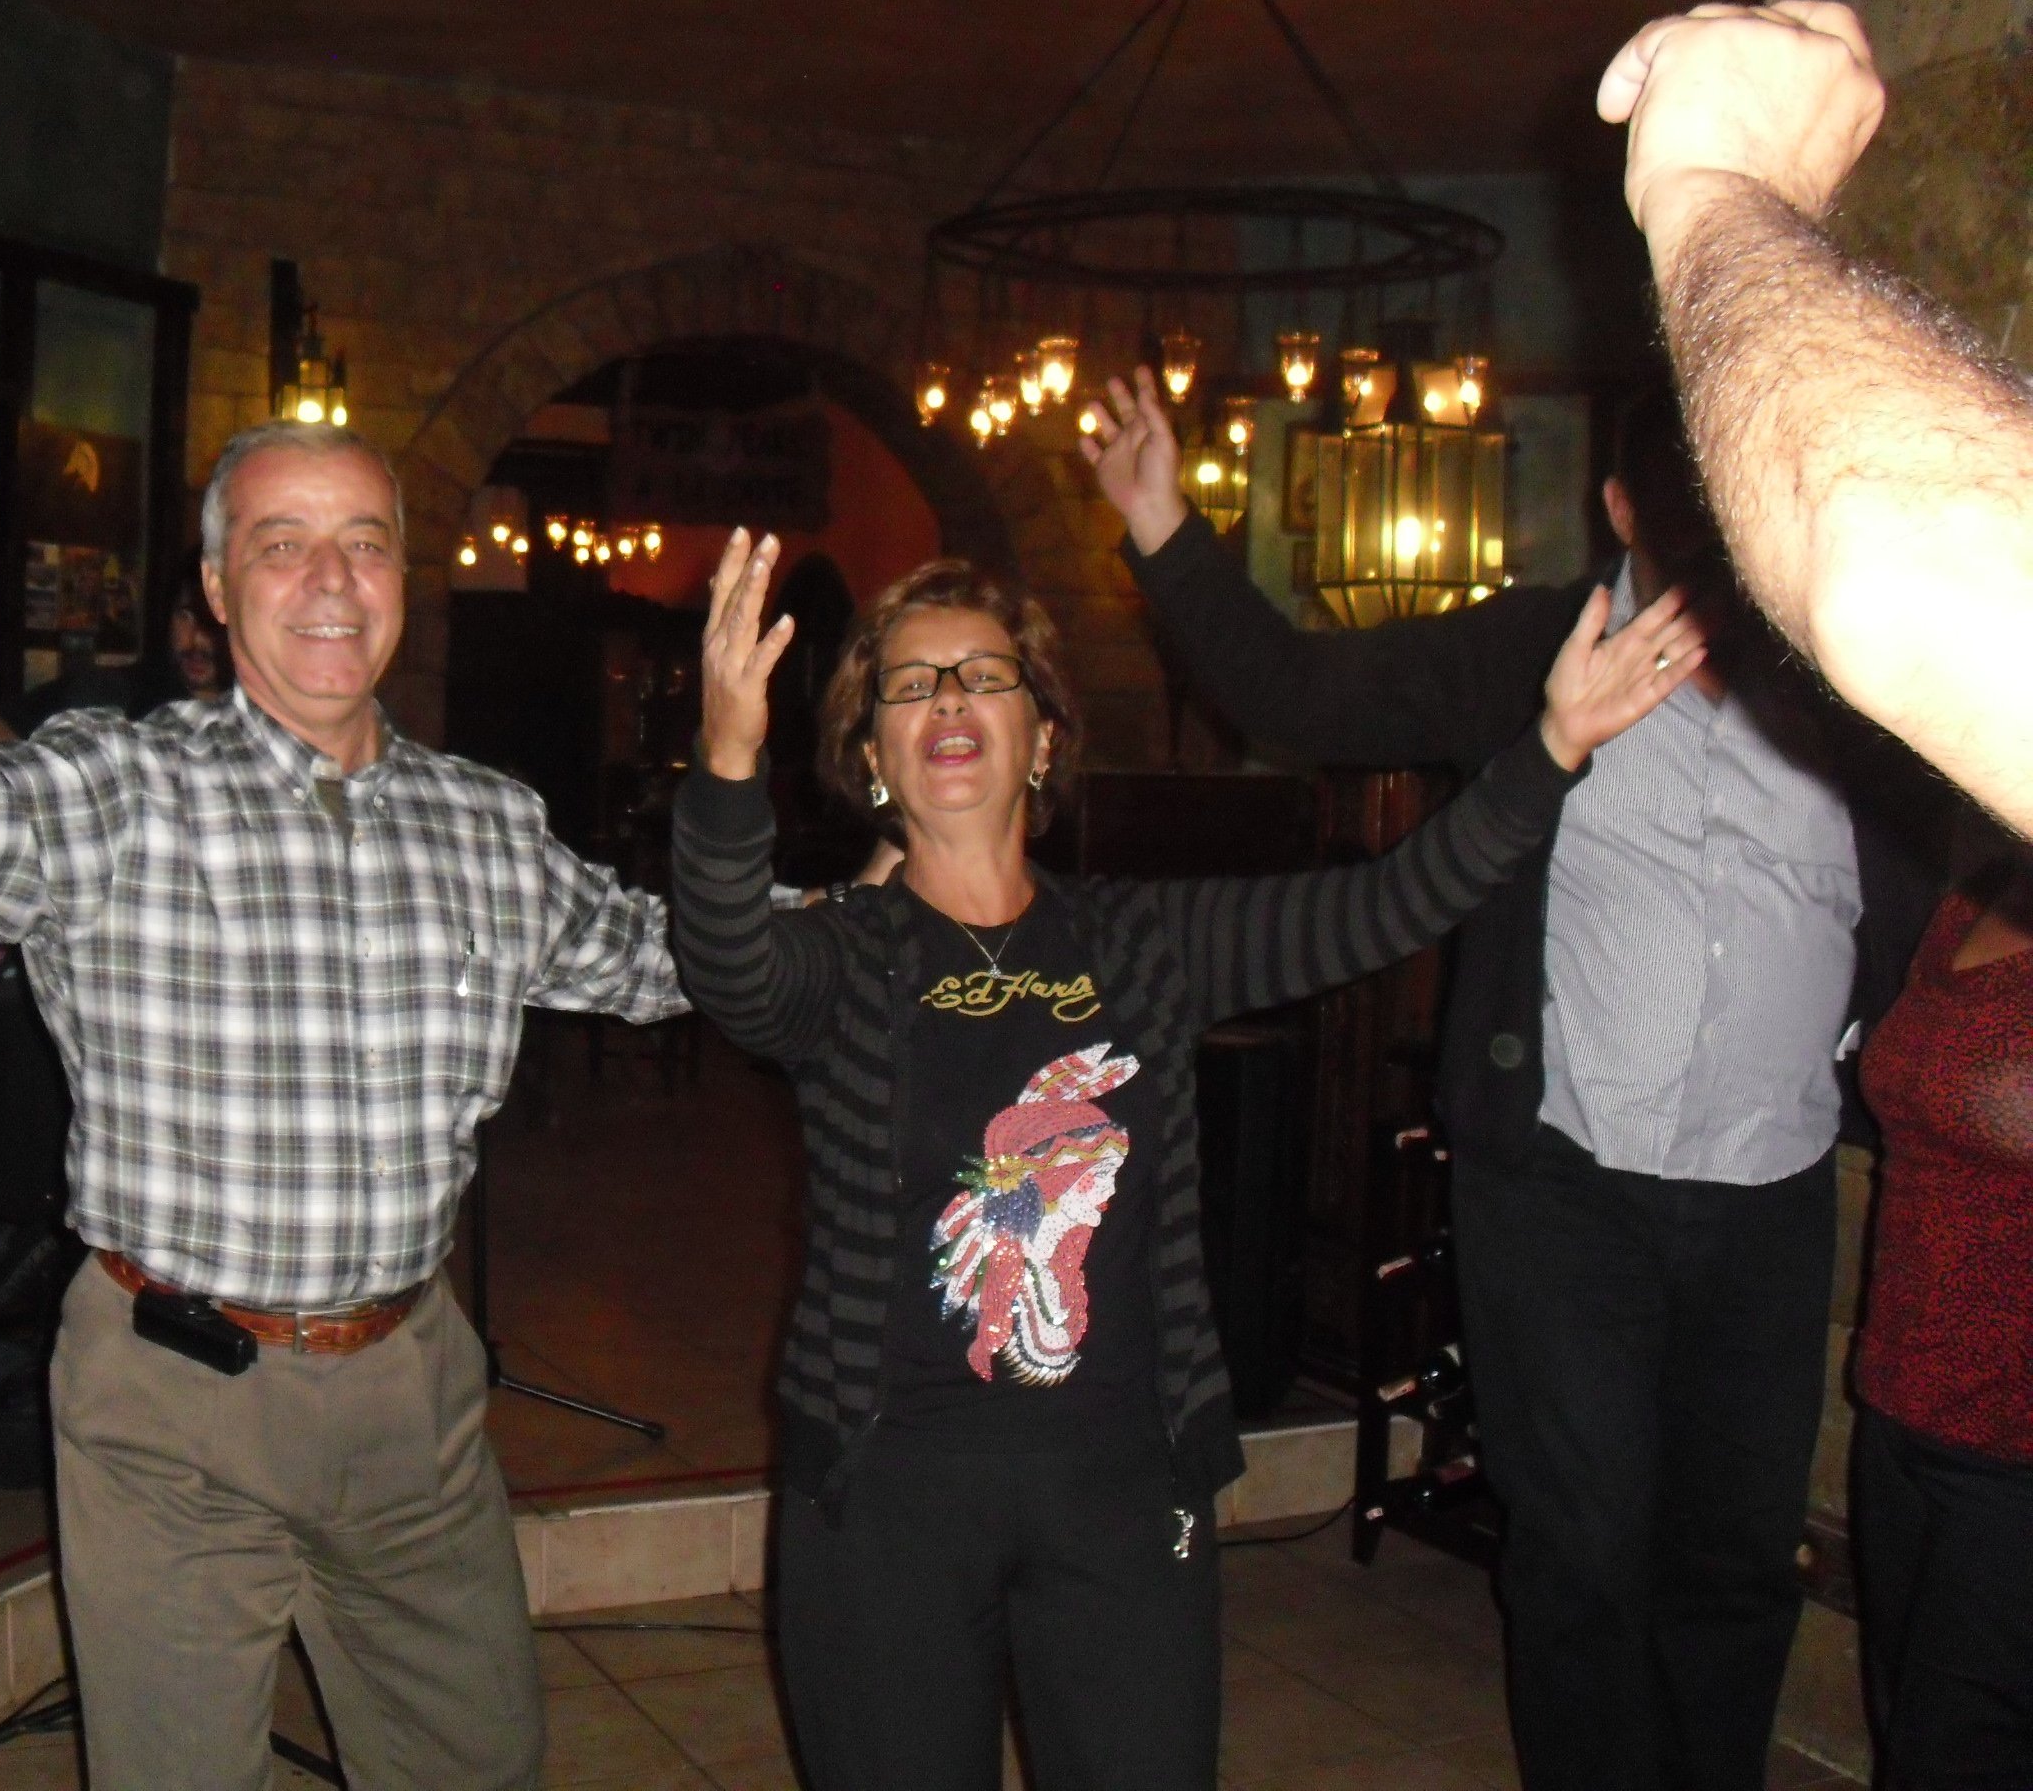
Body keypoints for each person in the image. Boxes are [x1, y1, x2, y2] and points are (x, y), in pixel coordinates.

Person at [0, 420, 687, 1791]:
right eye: (284, 545)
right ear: (218, 590)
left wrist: (867, 917)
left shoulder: (488, 824)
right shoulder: (123, 786)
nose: (331, 579)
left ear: (404, 578)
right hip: (174, 1405)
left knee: (478, 1768)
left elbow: (661, 956)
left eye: (365, 543)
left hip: (411, 1401)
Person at [668, 529, 1696, 1791]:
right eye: (911, 685)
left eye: (985, 676)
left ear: (1042, 739)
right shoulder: (844, 956)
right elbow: (729, 965)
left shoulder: (1146, 940)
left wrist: (1550, 748)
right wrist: (727, 759)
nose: (949, 700)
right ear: (873, 759)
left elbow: (1395, 899)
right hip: (888, 1500)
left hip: (1122, 1486)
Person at [1081, 369, 1945, 1791]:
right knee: (1584, 1553)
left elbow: (1924, 877)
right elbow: (1299, 691)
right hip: (1563, 1190)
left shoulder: (1845, 682)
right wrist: (1166, 527)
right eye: (1686, 507)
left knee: (1736, 1559)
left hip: (1772, 1192)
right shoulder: (1535, 649)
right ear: (1621, 510)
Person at [1596, 0, 2033, 843]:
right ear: (1621, 506)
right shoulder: (1539, 652)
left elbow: (1909, 572)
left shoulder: (1793, 685)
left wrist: (1712, 185)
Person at [1848, 837, 2033, 1784]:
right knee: (1906, 1717)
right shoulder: (1972, 899)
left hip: (2014, 1436)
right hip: (1903, 1399)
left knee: (1960, 1748)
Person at [0, 543, 232, 742]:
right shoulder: (113, 694)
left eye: (212, 622)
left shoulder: (249, 716)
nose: (196, 639)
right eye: (185, 616)